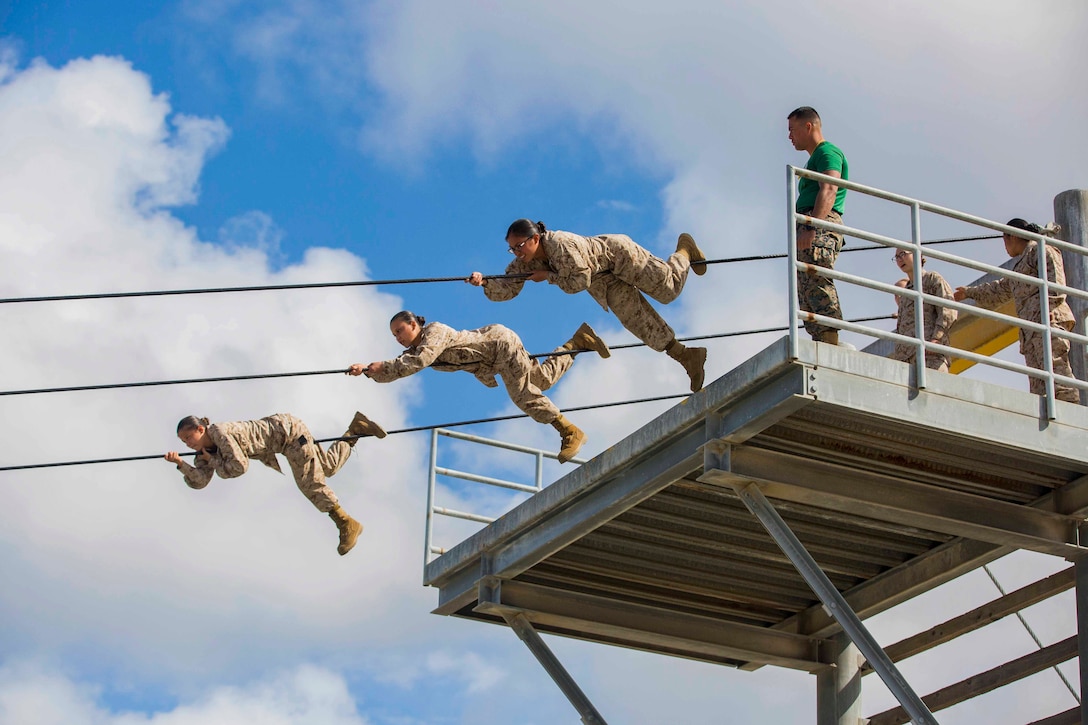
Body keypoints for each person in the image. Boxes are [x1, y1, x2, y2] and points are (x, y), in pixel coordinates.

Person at [466, 220, 708, 392]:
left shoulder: (560, 244)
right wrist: (485, 281)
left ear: (535, 238)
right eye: (512, 248)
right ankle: (686, 356)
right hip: (602, 280)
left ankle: (685, 250)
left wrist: (547, 276)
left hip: (618, 256)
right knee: (637, 320)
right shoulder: (524, 262)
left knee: (668, 289)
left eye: (519, 246)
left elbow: (579, 281)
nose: (516, 252)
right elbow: (508, 288)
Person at [349, 311, 610, 463]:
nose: (398, 337)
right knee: (540, 381)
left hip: (499, 346)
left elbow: (414, 362)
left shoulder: (433, 334)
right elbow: (402, 366)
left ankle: (569, 431)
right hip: (496, 356)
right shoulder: (419, 350)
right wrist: (370, 373)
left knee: (523, 396)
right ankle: (578, 343)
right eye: (394, 335)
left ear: (414, 324)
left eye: (400, 330)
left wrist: (380, 365)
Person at [164, 411, 386, 556]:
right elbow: (200, 481)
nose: (188, 444)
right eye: (183, 442)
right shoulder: (205, 452)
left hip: (287, 433)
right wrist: (181, 464)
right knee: (327, 467)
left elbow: (239, 466)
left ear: (200, 430)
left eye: (188, 438)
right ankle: (356, 430)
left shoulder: (219, 434)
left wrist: (212, 460)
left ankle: (346, 523)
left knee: (309, 483)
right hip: (284, 439)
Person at [954, 218, 1080, 403]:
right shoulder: (1021, 265)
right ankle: (1047, 411)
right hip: (1031, 328)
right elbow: (1000, 289)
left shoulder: (1041, 249)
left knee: (1055, 368)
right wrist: (970, 293)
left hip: (1047, 319)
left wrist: (1050, 307)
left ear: (1011, 236)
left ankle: (1070, 410)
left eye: (1004, 241)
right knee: (1039, 383)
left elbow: (1055, 281)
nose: (1005, 248)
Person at [788, 106, 849, 345]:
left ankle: (829, 336)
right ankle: (820, 337)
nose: (789, 136)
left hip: (821, 221)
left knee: (817, 272)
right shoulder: (814, 158)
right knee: (804, 284)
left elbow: (829, 187)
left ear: (808, 126)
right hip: (809, 223)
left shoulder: (827, 152)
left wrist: (813, 225)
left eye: (792, 130)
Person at [889, 249, 957, 372]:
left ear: (917, 254)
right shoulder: (905, 293)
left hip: (931, 357)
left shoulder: (931, 279)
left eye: (903, 254)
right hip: (906, 360)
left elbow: (948, 310)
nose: (899, 259)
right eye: (896, 257)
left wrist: (936, 338)